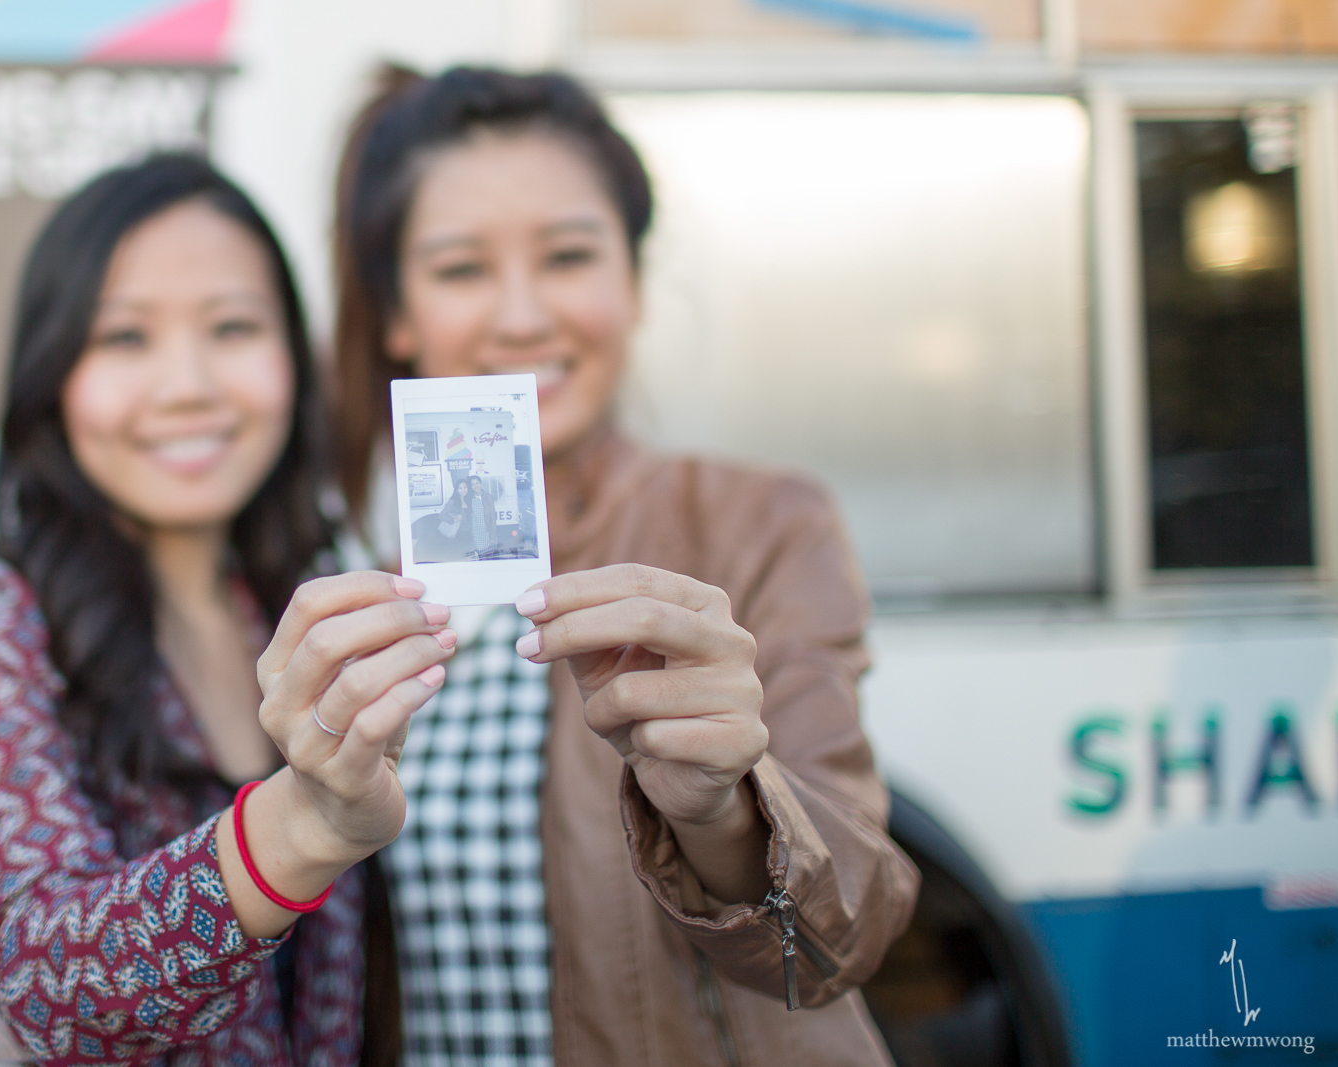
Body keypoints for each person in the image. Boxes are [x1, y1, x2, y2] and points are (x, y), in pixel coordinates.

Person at [332, 67, 920, 1065]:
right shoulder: (346, 587)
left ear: (634, 282)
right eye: (461, 268)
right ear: (397, 315)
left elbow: (838, 937)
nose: (520, 316)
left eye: (568, 254)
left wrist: (723, 806)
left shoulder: (757, 524)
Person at [0, 154, 457, 1067]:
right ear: (51, 371)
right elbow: (48, 978)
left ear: (294, 363)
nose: (186, 384)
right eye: (125, 338)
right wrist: (305, 826)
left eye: (232, 326)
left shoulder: (300, 616)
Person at [464, 474, 499, 556]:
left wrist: (493, 537)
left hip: (487, 531)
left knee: (489, 555)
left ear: (481, 484)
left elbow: (493, 518)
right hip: (476, 532)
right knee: (479, 555)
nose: (476, 486)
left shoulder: (488, 497)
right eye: (473, 484)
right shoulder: (470, 498)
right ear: (470, 486)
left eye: (477, 483)